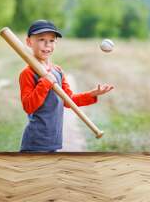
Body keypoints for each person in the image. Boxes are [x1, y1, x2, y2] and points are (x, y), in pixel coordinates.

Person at [19, 19, 114, 153]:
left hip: (53, 140)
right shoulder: (28, 73)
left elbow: (69, 100)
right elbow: (28, 106)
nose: (47, 44)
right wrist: (45, 83)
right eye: (41, 39)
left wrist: (92, 94)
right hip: (35, 142)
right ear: (29, 42)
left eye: (51, 40)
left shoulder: (57, 71)